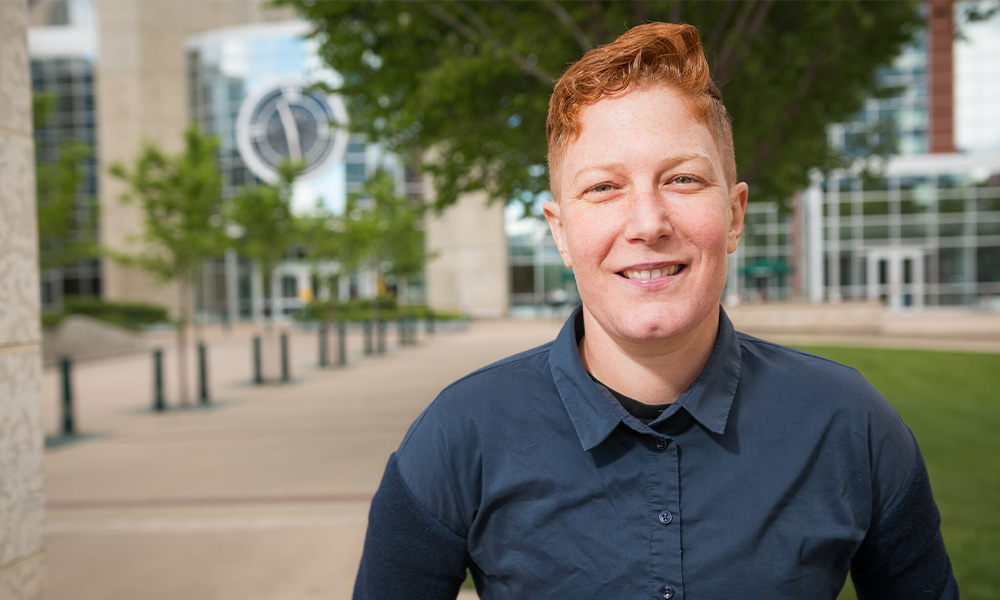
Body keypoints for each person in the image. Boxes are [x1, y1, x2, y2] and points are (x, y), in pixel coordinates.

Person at [353, 23, 957, 600]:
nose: (647, 223)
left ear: (736, 215)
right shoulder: (462, 434)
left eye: (683, 180)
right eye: (603, 188)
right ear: (560, 232)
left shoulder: (850, 425)